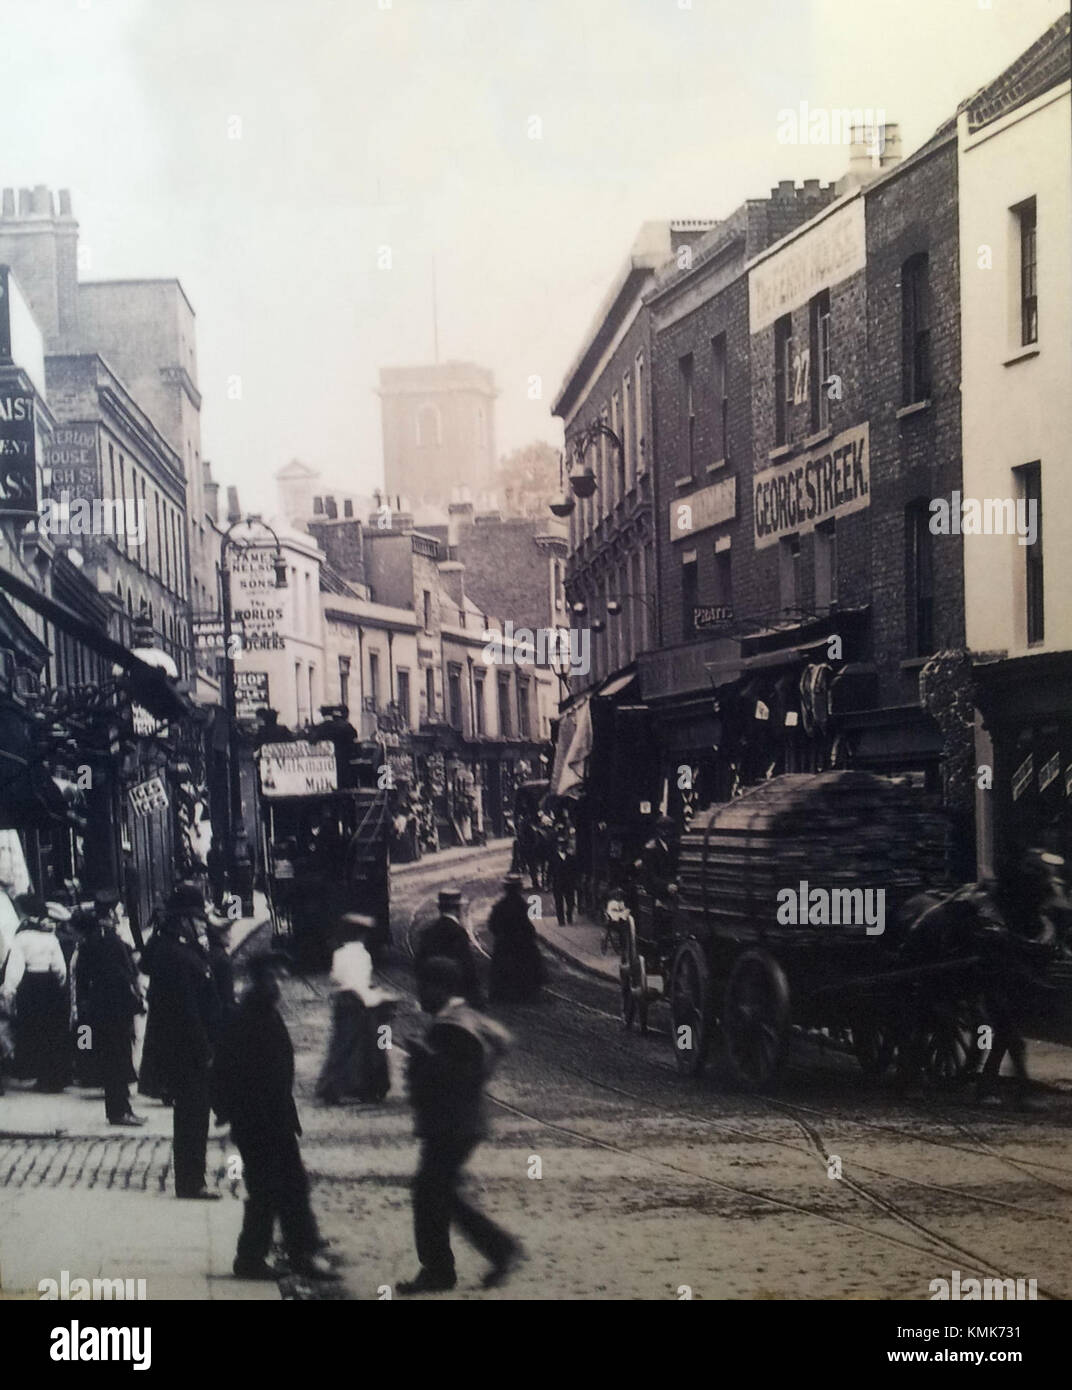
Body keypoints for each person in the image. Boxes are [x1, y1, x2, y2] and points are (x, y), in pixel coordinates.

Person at [213, 951, 339, 1282]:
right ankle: (253, 1258)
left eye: (280, 977)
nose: (279, 984)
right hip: (258, 1122)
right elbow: (225, 1072)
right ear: (259, 980)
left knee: (292, 1187)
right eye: (273, 977)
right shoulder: (245, 1019)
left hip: (275, 1119)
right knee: (268, 1190)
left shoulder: (263, 1012)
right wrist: (231, 1116)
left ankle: (300, 1252)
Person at [399, 955, 521, 1294]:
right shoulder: (465, 1017)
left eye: (424, 985)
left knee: (429, 1194)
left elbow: (462, 1077)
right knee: (440, 1194)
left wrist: (423, 1058)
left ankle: (441, 1270)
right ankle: (496, 1251)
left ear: (441, 987)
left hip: (451, 1124)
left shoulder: (450, 1027)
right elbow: (497, 1046)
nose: (419, 992)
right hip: (461, 1124)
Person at [139, 883, 222, 1198]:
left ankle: (192, 1179)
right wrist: (205, 1050)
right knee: (192, 1118)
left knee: (193, 1116)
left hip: (186, 1050)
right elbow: (186, 1012)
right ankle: (191, 1182)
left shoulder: (177, 948)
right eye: (198, 918)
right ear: (183, 920)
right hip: (188, 1052)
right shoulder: (175, 954)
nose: (203, 923)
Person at [74, 890, 145, 1126]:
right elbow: (124, 975)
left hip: (99, 1008)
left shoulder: (92, 939)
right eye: (119, 911)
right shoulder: (113, 941)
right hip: (116, 1009)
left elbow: (81, 975)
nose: (121, 915)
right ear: (111, 912)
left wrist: (83, 1004)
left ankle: (120, 1108)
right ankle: (119, 1110)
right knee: (119, 1059)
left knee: (112, 1059)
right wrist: (137, 1000)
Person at [316, 916, 398, 1104]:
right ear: (362, 935)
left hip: (342, 1002)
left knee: (342, 1045)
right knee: (369, 1047)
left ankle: (332, 1086)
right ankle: (368, 1087)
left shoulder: (339, 953)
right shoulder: (363, 955)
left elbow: (336, 978)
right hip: (359, 1003)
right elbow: (359, 984)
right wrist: (376, 998)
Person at [1, 894, 69, 1092]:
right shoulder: (50, 937)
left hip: (30, 987)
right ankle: (54, 1077)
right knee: (52, 1032)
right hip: (49, 985)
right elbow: (60, 968)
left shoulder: (21, 938)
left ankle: (39, 1075)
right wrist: (60, 985)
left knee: (34, 1031)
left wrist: (9, 989)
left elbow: (15, 968)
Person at [414, 890, 483, 1005]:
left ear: (440, 908)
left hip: (434, 996)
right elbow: (468, 966)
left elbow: (418, 965)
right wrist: (476, 996)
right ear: (458, 909)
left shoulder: (428, 932)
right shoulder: (459, 933)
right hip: (456, 995)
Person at [487, 875, 544, 1004]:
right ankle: (526, 993)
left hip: (505, 944)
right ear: (519, 888)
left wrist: (501, 936)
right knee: (528, 965)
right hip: (522, 944)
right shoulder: (522, 905)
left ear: (505, 888)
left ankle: (503, 995)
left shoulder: (500, 906)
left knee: (502, 968)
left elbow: (492, 925)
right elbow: (527, 926)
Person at [547, 811, 578, 927]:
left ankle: (569, 915)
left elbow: (575, 870)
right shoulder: (553, 858)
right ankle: (561, 920)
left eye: (564, 844)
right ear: (557, 846)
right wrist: (548, 882)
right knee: (559, 902)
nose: (562, 846)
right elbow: (549, 871)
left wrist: (576, 880)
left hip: (569, 882)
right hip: (558, 883)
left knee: (571, 902)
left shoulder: (570, 857)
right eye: (560, 844)